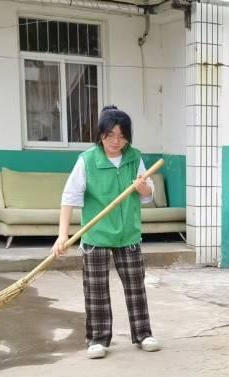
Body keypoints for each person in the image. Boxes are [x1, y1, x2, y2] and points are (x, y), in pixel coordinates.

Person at [52, 105, 161, 360]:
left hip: (128, 233)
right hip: (97, 234)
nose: (116, 142)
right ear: (100, 134)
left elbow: (148, 196)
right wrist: (62, 235)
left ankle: (143, 334)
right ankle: (98, 339)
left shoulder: (134, 157)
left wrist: (143, 187)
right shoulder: (87, 160)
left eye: (122, 136)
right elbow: (69, 198)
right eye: (110, 135)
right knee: (96, 289)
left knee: (136, 286)